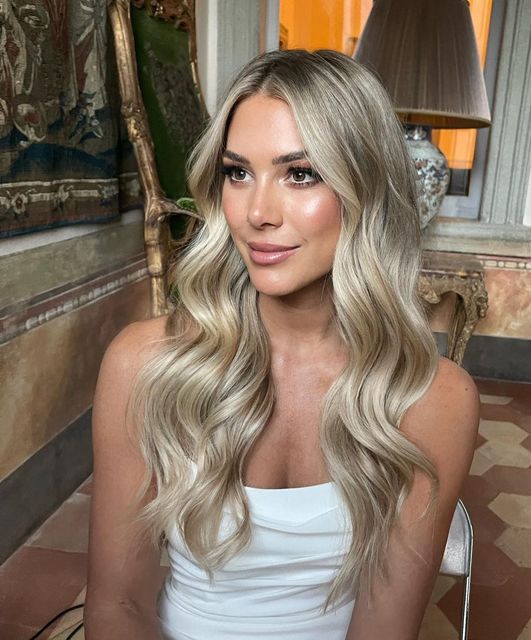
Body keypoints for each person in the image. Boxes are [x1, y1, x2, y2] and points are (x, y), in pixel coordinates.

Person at [84, 49, 480, 640]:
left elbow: (384, 630)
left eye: (301, 174)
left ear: (365, 189)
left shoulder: (433, 398)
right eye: (237, 172)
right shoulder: (146, 365)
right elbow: (118, 608)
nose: (257, 213)